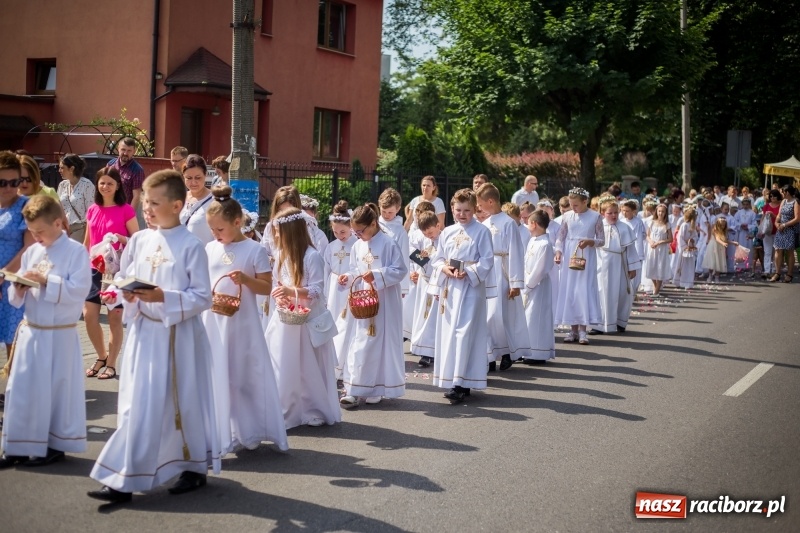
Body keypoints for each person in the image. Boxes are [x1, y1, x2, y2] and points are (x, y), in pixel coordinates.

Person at [88, 170, 220, 503]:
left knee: (181, 402)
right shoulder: (140, 240)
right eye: (145, 201)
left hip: (179, 338)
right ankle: (124, 476)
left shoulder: (191, 246)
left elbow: (203, 297)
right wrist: (121, 295)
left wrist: (164, 297)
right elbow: (127, 278)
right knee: (137, 405)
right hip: (144, 334)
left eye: (154, 203)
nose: (146, 208)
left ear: (177, 205)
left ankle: (192, 466)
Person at [0, 195, 92, 469]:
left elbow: (79, 291)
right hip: (32, 330)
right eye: (31, 231)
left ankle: (53, 446)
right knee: (23, 389)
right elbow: (14, 295)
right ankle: (17, 446)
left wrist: (45, 282)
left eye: (40, 230)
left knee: (55, 390)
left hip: (59, 333)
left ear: (57, 223)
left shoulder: (76, 252)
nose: (35, 236)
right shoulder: (31, 252)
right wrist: (18, 288)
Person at [203, 185, 288, 453]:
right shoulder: (209, 249)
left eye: (220, 229)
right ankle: (220, 431)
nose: (215, 235)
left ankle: (250, 429)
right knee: (218, 375)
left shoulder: (254, 250)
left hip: (243, 324)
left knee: (243, 377)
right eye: (212, 229)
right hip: (215, 319)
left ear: (237, 222)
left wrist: (246, 279)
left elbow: (266, 287)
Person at [265, 207, 341, 427]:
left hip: (307, 320)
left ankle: (313, 408)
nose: (276, 236)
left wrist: (291, 292)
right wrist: (279, 297)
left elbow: (317, 290)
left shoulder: (312, 256)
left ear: (291, 231)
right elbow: (276, 283)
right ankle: (287, 407)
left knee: (309, 366)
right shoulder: (280, 255)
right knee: (285, 363)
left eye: (279, 232)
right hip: (287, 319)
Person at [428, 189, 494, 404]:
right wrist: (443, 269)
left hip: (469, 288)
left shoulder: (482, 232)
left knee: (464, 333)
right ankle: (452, 379)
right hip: (450, 289)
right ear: (453, 209)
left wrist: (471, 271)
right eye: (458, 210)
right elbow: (437, 259)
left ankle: (461, 382)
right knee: (449, 334)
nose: (462, 214)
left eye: (467, 210)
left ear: (475, 209)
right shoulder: (447, 232)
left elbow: (487, 260)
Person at [338, 203, 407, 408]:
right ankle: (354, 388)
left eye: (361, 230)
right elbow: (354, 270)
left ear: (374, 223)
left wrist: (376, 275)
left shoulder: (388, 243)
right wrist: (347, 278)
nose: (358, 235)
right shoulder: (357, 246)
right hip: (363, 301)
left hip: (384, 302)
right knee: (360, 342)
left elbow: (400, 270)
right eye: (355, 231)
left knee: (378, 344)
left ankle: (376, 387)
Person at [83, 167, 139, 380]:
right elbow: (87, 242)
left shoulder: (126, 210)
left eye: (110, 183)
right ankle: (101, 356)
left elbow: (137, 239)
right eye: (102, 183)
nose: (105, 187)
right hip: (94, 269)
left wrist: (120, 238)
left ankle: (112, 363)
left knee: (114, 318)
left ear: (118, 186)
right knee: (89, 316)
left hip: (117, 272)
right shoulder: (92, 209)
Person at [476, 183, 530, 370]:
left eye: (481, 203)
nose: (479, 207)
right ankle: (489, 356)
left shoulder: (508, 223)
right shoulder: (483, 224)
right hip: (487, 272)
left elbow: (516, 252)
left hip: (503, 272)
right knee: (487, 317)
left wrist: (515, 282)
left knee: (501, 316)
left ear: (490, 201)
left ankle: (507, 352)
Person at [553, 187, 604, 345]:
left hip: (586, 255)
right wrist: (559, 252)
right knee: (571, 290)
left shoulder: (595, 216)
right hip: (571, 254)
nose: (573, 208)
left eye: (576, 205)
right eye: (571, 204)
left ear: (585, 201)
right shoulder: (567, 216)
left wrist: (590, 241)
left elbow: (602, 240)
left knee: (583, 290)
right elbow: (560, 237)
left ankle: (583, 330)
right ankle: (572, 329)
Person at [0, 152, 34, 359]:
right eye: (2, 182)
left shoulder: (26, 206)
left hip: (14, 282)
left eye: (14, 182)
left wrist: (3, 275)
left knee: (14, 341)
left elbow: (29, 248)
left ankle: (16, 390)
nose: (9, 188)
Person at [591, 199, 640, 334]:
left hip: (620, 265)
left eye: (615, 213)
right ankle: (599, 325)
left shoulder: (625, 228)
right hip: (602, 265)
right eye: (609, 213)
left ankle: (620, 321)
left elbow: (631, 250)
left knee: (621, 294)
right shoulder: (598, 227)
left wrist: (632, 267)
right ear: (602, 213)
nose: (613, 216)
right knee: (601, 293)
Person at [324, 201, 357, 380]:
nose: (339, 235)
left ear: (351, 226)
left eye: (343, 231)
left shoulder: (357, 245)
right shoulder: (331, 247)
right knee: (334, 323)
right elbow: (326, 268)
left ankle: (344, 366)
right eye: (336, 232)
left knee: (348, 326)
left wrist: (350, 275)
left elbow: (360, 266)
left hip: (350, 288)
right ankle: (333, 364)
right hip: (334, 289)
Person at [522, 209, 555, 364]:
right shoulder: (533, 240)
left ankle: (538, 353)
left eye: (528, 223)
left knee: (537, 317)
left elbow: (540, 269)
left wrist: (528, 285)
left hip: (538, 286)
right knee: (529, 317)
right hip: (528, 284)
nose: (526, 225)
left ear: (534, 224)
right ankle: (528, 351)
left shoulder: (545, 244)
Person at [409, 211, 441, 368]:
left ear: (438, 226)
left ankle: (435, 351)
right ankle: (425, 351)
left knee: (436, 317)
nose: (429, 236)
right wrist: (422, 260)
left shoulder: (444, 238)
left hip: (440, 283)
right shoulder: (423, 239)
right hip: (425, 282)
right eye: (425, 233)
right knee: (424, 315)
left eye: (431, 232)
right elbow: (412, 253)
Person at [378, 188, 411, 338]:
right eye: (383, 211)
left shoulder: (400, 231)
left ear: (398, 209)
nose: (386, 215)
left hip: (390, 279)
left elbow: (404, 258)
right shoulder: (374, 224)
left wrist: (403, 288)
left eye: (390, 212)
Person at [56, 153, 95, 242]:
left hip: (79, 228)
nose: (59, 170)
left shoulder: (87, 185)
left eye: (62, 168)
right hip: (63, 229)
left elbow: (91, 211)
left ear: (71, 169)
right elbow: (58, 207)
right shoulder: (62, 185)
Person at [179, 154, 214, 245]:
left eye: (198, 178)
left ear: (205, 174)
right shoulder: (179, 199)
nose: (193, 182)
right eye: (189, 178)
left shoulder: (215, 201)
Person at [107, 137, 145, 216]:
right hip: (109, 208)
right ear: (118, 149)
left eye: (129, 151)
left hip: (123, 212)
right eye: (123, 150)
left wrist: (128, 216)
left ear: (134, 151)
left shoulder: (137, 170)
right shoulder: (110, 164)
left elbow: (136, 196)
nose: (125, 153)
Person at [770, 185, 800, 283]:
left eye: (783, 191)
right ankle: (777, 273)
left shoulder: (796, 202)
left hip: (790, 229)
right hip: (781, 228)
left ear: (787, 192)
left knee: (789, 251)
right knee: (778, 250)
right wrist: (777, 222)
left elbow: (797, 218)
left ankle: (789, 274)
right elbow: (779, 214)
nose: (782, 193)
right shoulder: (783, 201)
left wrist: (784, 225)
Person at [644, 204, 672, 296]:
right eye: (659, 211)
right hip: (652, 248)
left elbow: (670, 239)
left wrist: (659, 242)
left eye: (663, 211)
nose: (660, 213)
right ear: (656, 211)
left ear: (665, 213)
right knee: (652, 267)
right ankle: (655, 286)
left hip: (661, 249)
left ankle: (656, 292)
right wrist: (651, 242)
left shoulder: (667, 224)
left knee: (660, 267)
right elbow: (647, 235)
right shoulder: (652, 222)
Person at [620, 199, 646, 295]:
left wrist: (638, 254)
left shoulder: (638, 222)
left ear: (633, 211)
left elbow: (640, 237)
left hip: (634, 249)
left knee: (634, 273)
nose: (625, 213)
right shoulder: (621, 221)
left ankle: (633, 292)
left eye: (627, 211)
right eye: (623, 211)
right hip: (623, 249)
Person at [702, 216, 737, 284]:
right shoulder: (715, 229)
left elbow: (725, 240)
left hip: (720, 247)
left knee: (719, 261)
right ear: (718, 224)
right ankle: (710, 276)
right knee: (712, 261)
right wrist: (723, 243)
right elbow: (717, 238)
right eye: (721, 225)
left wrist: (733, 242)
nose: (723, 226)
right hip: (713, 246)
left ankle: (717, 277)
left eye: (724, 225)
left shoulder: (724, 231)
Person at [673, 207, 700, 289]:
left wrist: (693, 241)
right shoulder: (684, 225)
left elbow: (696, 236)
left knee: (690, 266)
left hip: (690, 248)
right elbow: (679, 237)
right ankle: (679, 281)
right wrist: (684, 246)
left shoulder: (693, 226)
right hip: (684, 249)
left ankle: (688, 283)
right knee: (682, 265)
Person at [760, 189, 782, 278]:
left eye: (774, 196)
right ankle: (766, 270)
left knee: (776, 252)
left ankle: (774, 270)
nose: (772, 197)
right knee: (767, 252)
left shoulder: (781, 206)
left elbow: (782, 219)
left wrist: (774, 215)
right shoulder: (766, 206)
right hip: (767, 231)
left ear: (778, 196)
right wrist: (761, 230)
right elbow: (762, 218)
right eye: (771, 196)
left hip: (777, 231)